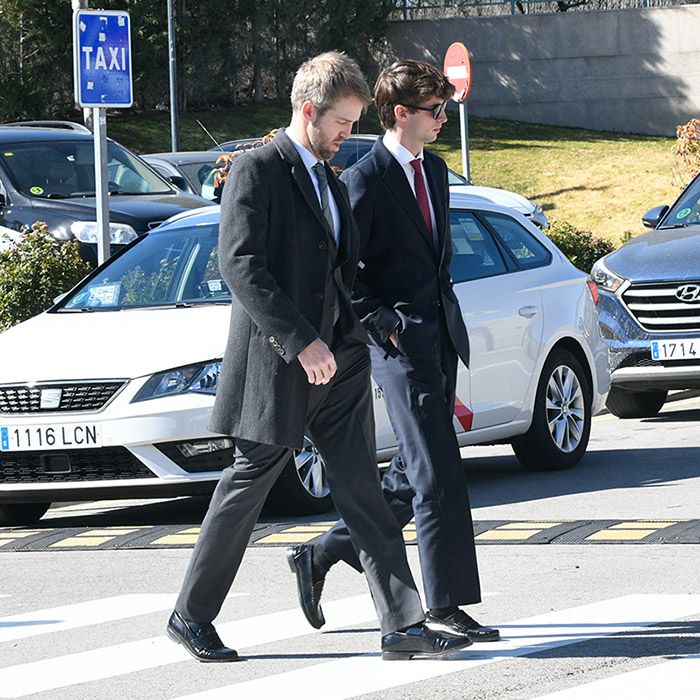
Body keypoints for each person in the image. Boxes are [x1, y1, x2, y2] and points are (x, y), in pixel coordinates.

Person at [166, 52, 473, 663]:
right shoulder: (258, 170)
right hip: (280, 362)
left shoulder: (332, 180)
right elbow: (241, 265)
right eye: (342, 122)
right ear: (308, 111)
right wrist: (300, 339)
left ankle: (401, 625)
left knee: (362, 488)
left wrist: (351, 337)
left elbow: (342, 271)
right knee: (248, 484)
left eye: (355, 123)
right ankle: (190, 614)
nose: (349, 135)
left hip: (342, 359)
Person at [288, 59, 500, 643]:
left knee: (410, 475)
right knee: (437, 474)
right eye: (434, 110)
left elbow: (435, 260)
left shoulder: (434, 172)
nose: (442, 119)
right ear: (401, 113)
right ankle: (445, 603)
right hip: (399, 346)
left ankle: (323, 551)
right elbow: (343, 271)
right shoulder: (364, 178)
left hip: (440, 339)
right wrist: (384, 324)